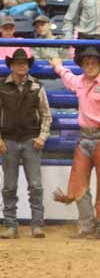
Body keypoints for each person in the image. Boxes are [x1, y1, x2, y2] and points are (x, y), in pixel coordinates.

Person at [49, 48, 100, 239]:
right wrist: (58, 67)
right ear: (82, 65)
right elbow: (68, 78)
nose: (89, 65)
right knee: (80, 183)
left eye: (93, 61)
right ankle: (87, 225)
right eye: (86, 62)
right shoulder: (80, 81)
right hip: (85, 137)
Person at [0, 48, 52, 239]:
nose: (21, 65)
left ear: (27, 66)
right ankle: (12, 225)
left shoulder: (37, 86)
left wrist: (42, 137)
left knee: (35, 185)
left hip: (31, 140)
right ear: (12, 65)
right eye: (17, 63)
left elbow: (46, 115)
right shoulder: (2, 86)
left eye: (24, 63)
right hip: (9, 140)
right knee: (9, 186)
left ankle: (36, 225)